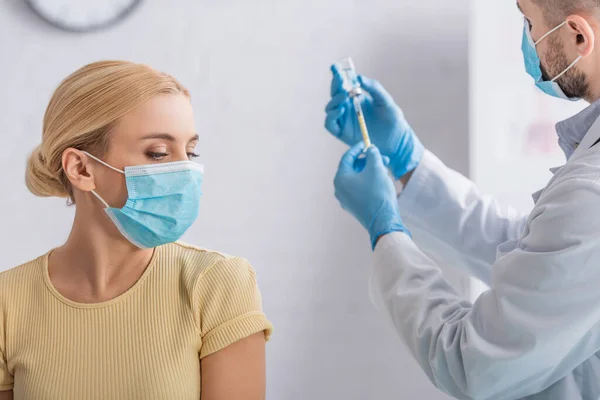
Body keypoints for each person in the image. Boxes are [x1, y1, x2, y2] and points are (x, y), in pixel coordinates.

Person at [325, 0, 600, 399]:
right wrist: (410, 164)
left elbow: (472, 363)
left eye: (529, 22)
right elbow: (537, 257)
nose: (527, 41)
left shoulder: (590, 192)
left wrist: (384, 229)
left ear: (579, 36)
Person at [0, 61, 272, 400]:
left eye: (190, 152)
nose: (185, 172)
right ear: (81, 168)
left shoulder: (217, 284)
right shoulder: (7, 302)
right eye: (158, 154)